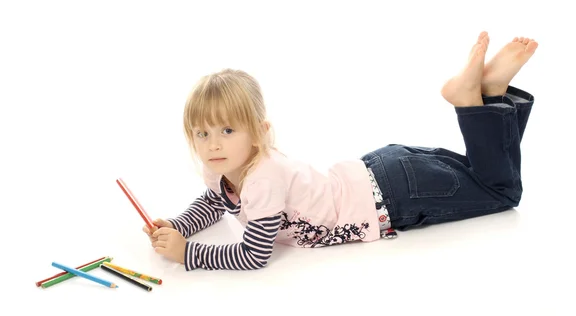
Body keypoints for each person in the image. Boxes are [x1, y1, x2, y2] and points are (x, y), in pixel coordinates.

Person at [143, 31, 538, 272]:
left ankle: (475, 100)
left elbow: (253, 255)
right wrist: (179, 226)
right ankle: (489, 95)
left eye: (227, 130)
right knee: (480, 172)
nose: (212, 143)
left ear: (260, 132)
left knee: (500, 191)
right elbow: (215, 202)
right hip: (380, 170)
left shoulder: (262, 178)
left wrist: (188, 255)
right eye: (201, 133)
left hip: (392, 197)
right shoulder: (222, 165)